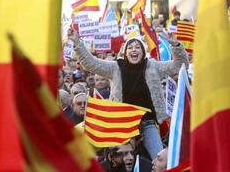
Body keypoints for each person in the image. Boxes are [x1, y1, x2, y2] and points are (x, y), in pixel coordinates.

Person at [68, 28, 188, 160]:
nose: (134, 50)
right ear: (126, 52)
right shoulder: (115, 67)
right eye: (130, 47)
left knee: (160, 159)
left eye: (138, 47)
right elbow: (90, 63)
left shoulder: (153, 66)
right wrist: (77, 43)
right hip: (122, 123)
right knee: (121, 161)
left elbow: (180, 65)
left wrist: (175, 45)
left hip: (147, 123)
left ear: (143, 52)